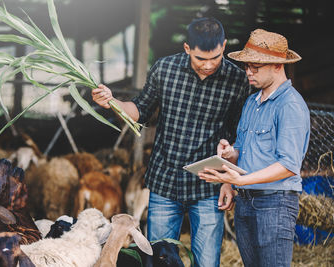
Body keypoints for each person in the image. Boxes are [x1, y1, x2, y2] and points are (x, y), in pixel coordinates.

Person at [92, 17, 252, 266]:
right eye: (201, 59)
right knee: (159, 260)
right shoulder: (165, 69)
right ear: (187, 48)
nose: (209, 65)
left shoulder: (237, 79)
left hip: (208, 185)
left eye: (216, 57)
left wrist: (228, 182)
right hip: (165, 182)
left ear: (224, 45)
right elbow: (140, 109)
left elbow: (237, 133)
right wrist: (113, 102)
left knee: (208, 262)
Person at [198, 29, 310, 267]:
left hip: (275, 204)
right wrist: (230, 156)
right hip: (246, 201)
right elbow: (243, 150)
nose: (248, 71)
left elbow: (288, 165)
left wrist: (239, 181)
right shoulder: (251, 102)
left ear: (278, 66)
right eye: (247, 66)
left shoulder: (290, 105)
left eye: (255, 67)